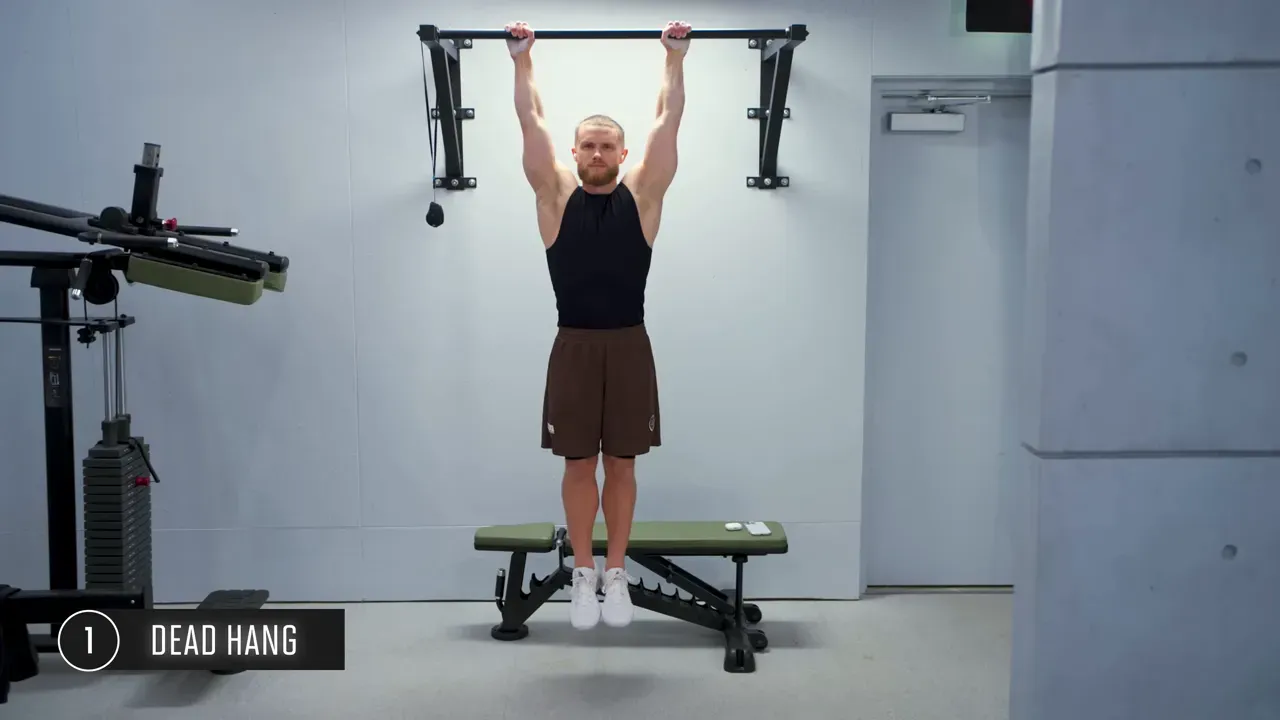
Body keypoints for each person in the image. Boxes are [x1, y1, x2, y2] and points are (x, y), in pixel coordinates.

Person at [506, 19, 690, 630]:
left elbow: (669, 121)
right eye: (587, 144)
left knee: (626, 465)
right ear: (575, 151)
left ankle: (616, 575)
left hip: (630, 345)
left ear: (623, 153)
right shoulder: (554, 195)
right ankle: (582, 575)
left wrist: (675, 59)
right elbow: (530, 121)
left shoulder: (646, 194)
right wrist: (520, 61)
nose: (596, 153)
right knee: (578, 464)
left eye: (607, 145)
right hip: (575, 347)